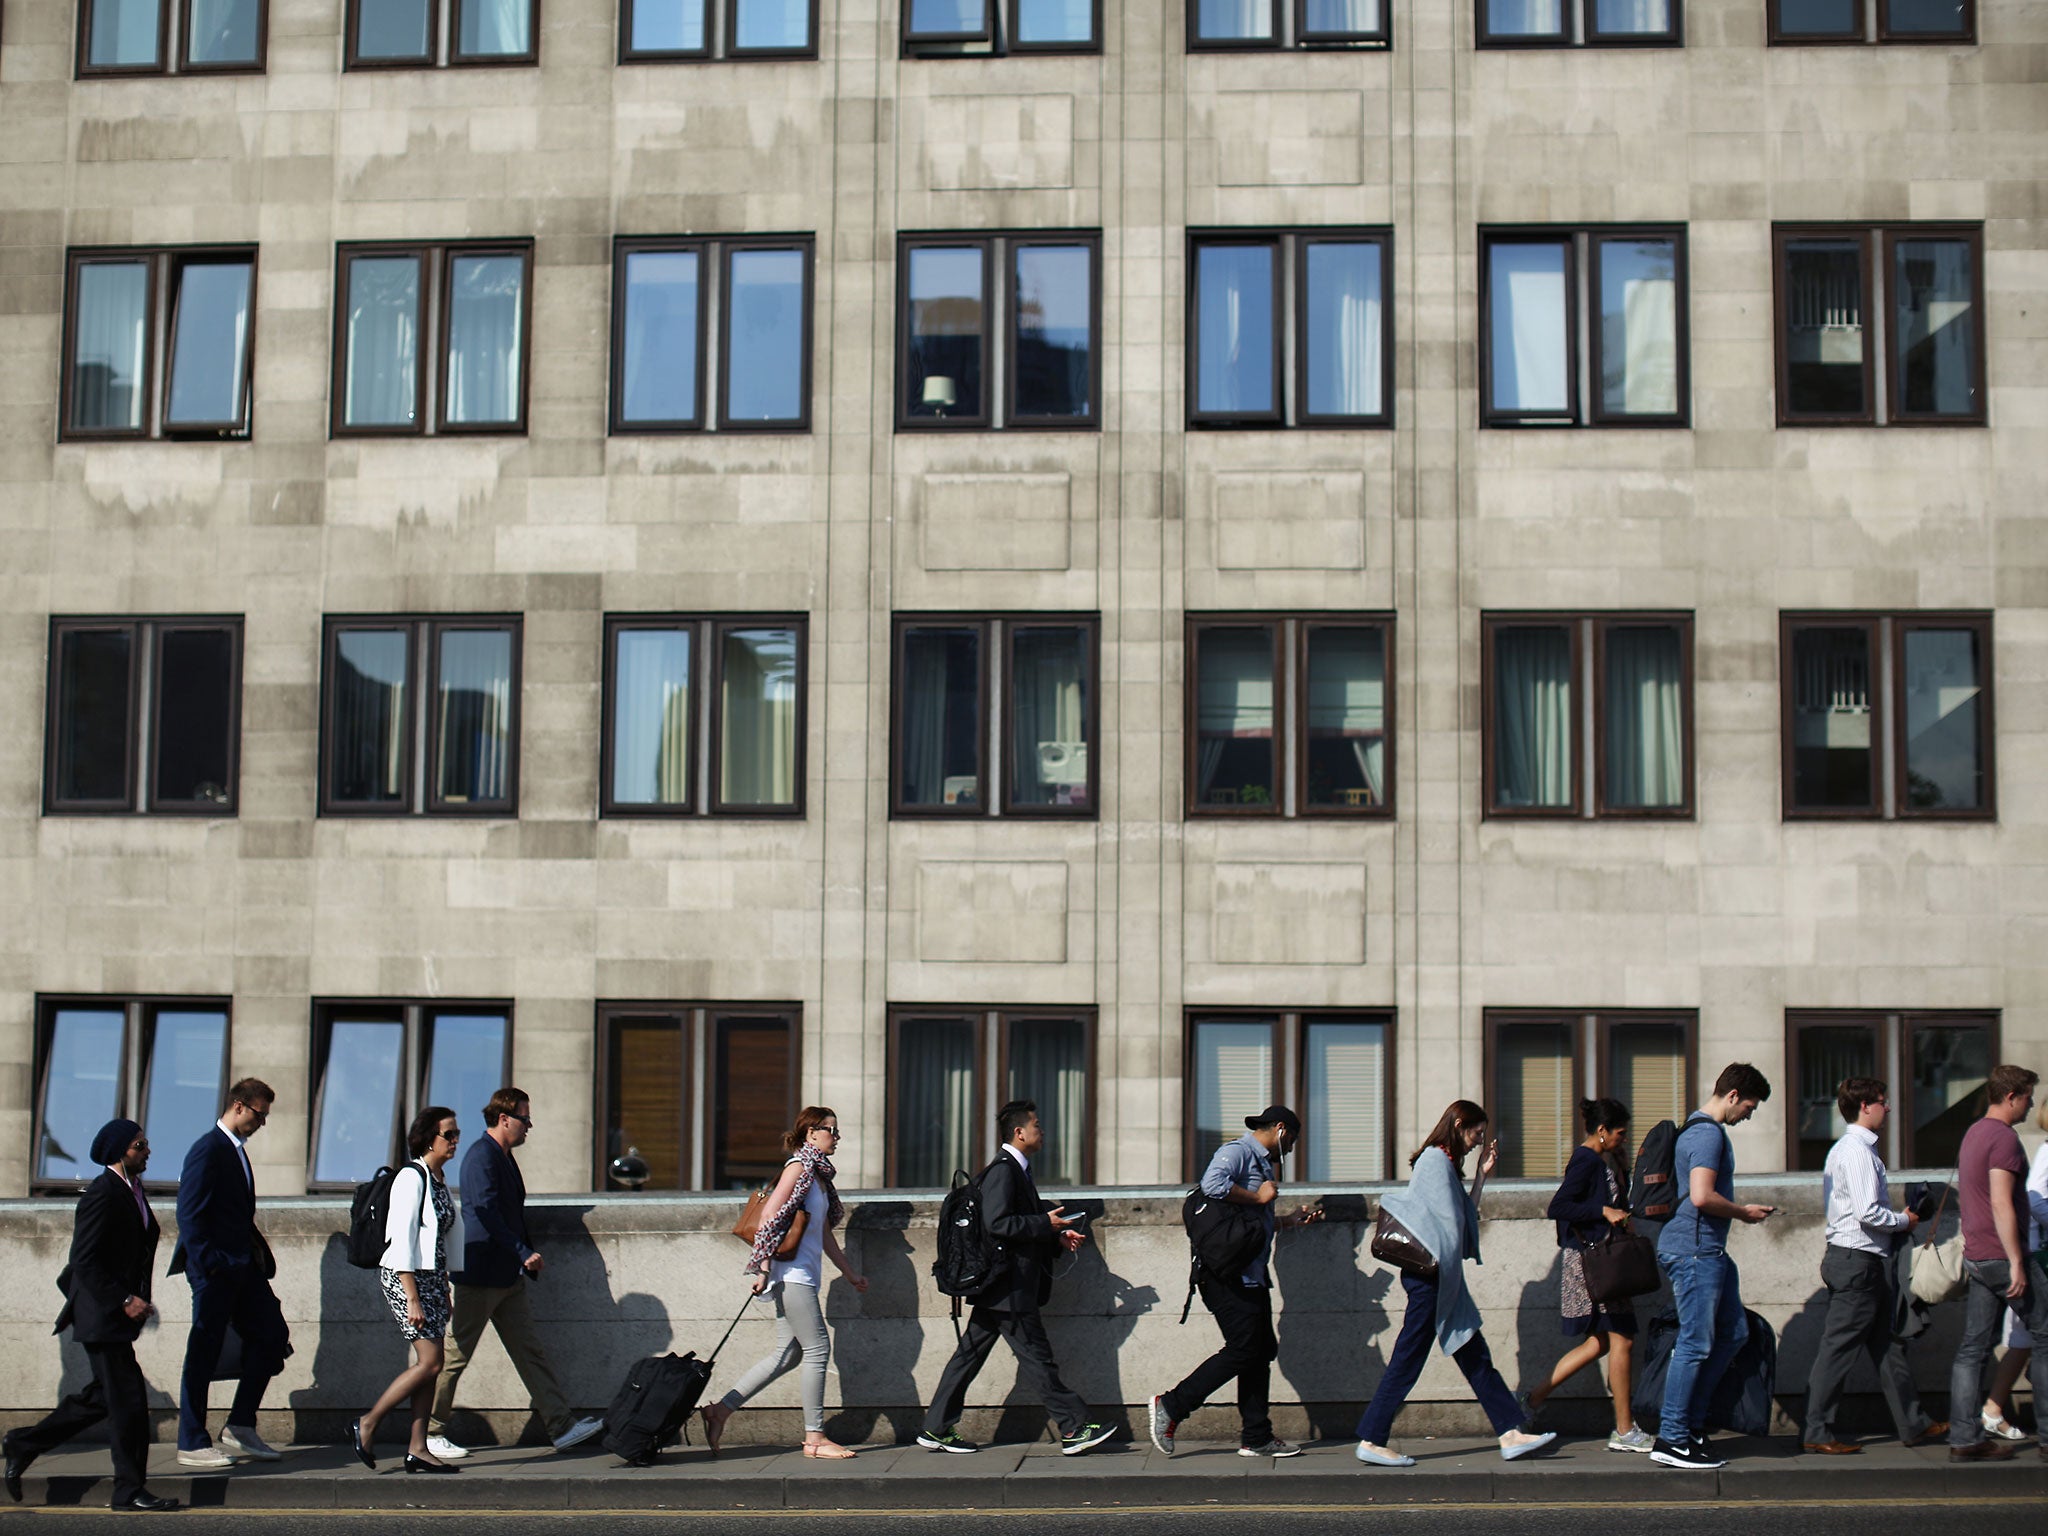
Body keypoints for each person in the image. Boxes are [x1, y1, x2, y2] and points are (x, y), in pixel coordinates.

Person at [1354, 1100, 1556, 1468]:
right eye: (1477, 1133)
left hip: (1440, 1279)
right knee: (1408, 1359)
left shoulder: (1444, 1161)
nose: (1479, 1140)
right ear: (1460, 1123)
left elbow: (1459, 1218)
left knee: (1474, 1356)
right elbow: (1448, 1232)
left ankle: (1511, 1431)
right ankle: (1372, 1437)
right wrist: (1451, 1282)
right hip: (1430, 1280)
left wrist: (1481, 1176)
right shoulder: (1435, 1160)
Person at [917, 1099, 1114, 1456]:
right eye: (1037, 1125)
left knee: (968, 1356)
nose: (1043, 1131)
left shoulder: (1017, 1170)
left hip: (1002, 1287)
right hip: (1009, 1287)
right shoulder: (1004, 1171)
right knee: (1037, 1358)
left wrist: (1054, 1235)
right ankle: (1074, 1427)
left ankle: (935, 1428)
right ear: (1020, 1133)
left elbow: (1014, 1222)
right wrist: (1045, 1223)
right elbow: (998, 1223)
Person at [3, 1120, 178, 1512]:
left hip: (114, 1316)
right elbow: (83, 1260)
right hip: (102, 1315)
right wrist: (124, 1300)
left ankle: (23, 1443)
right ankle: (128, 1491)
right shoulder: (103, 1193)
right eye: (139, 1144)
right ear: (121, 1151)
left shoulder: (131, 1190)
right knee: (130, 1405)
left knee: (101, 1399)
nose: (147, 1150)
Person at [426, 1088, 604, 1460]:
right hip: (481, 1273)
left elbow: (508, 1214)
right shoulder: (481, 1157)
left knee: (529, 1352)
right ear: (504, 1118)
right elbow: (485, 1213)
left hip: (506, 1276)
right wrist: (523, 1252)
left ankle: (561, 1427)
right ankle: (429, 1430)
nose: (529, 1126)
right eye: (525, 1118)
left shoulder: (502, 1157)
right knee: (456, 1355)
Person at [1147, 1105, 1324, 1459]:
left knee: (1259, 1353)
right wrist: (1258, 1196)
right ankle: (1171, 1405)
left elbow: (1247, 1224)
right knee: (1244, 1349)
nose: (1290, 1150)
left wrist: (1288, 1220)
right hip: (1225, 1274)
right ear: (1281, 1130)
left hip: (1250, 1274)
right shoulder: (1238, 1152)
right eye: (1292, 1141)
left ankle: (1256, 1436)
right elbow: (1212, 1185)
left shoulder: (1259, 1164)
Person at [703, 1107, 870, 1458]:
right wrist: (762, 1268)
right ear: (811, 1134)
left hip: (802, 1273)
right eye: (831, 1131)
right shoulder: (798, 1168)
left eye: (837, 1131)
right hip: (791, 1275)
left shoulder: (818, 1176)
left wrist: (848, 1272)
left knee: (787, 1354)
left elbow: (821, 1232)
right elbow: (768, 1217)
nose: (836, 1137)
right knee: (818, 1349)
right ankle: (815, 1438)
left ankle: (721, 1410)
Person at [1800, 1077, 1945, 1454]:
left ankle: (1914, 1423)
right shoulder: (1858, 1152)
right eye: (1883, 1101)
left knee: (1887, 1346)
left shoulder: (1844, 1150)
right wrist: (1906, 1221)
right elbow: (1868, 1213)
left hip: (1857, 1261)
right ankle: (1816, 1430)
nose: (1888, 1108)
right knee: (1838, 1349)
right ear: (1865, 1106)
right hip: (1857, 1261)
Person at [1651, 1062, 1773, 1472]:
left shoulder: (1699, 1129)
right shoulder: (1706, 1134)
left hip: (1708, 1251)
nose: (1749, 1116)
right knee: (1695, 1343)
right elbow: (1702, 1196)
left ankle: (1692, 1426)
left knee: (1734, 1333)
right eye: (1750, 1107)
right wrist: (1743, 1212)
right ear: (1733, 1096)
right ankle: (1672, 1437)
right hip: (1695, 1251)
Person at [1519, 1098, 1649, 1452]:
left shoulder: (1602, 1160)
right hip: (1595, 1266)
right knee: (1622, 1341)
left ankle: (1531, 1400)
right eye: (1620, 1133)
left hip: (1603, 1263)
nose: (1624, 1138)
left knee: (1601, 1343)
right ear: (1602, 1131)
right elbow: (1558, 1206)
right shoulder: (1585, 1159)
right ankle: (1625, 1430)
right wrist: (1603, 1210)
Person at [171, 1077, 288, 1469]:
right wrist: (211, 1266)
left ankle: (240, 1425)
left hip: (242, 1268)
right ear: (239, 1106)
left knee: (272, 1337)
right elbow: (189, 1215)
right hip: (216, 1270)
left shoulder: (235, 1150)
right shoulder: (208, 1149)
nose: (262, 1122)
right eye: (259, 1113)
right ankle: (191, 1440)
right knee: (202, 1352)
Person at [1946, 1064, 2048, 1463]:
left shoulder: (1974, 1132)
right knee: (2044, 1338)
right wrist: (2018, 1262)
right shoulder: (2004, 1139)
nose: (2031, 1104)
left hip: (1976, 1255)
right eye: (2027, 1097)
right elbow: (2003, 1201)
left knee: (1972, 1349)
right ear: (2011, 1097)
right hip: (2002, 1255)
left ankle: (1964, 1438)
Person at [351, 1107, 461, 1473]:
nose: (455, 1140)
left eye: (456, 1134)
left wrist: (443, 1286)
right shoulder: (411, 1178)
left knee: (432, 1365)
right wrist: (412, 1296)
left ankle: (418, 1448)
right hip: (405, 1278)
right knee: (430, 1362)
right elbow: (401, 1241)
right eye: (449, 1134)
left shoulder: (437, 1178)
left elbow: (438, 1240)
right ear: (429, 1137)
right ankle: (368, 1422)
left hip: (430, 1279)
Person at [1978, 1098, 2048, 1442]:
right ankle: (1995, 1407)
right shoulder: (2047, 1152)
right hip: (2035, 1257)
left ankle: (1993, 1408)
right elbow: (2034, 1199)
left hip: (2030, 1255)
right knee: (2027, 1338)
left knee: (2023, 1340)